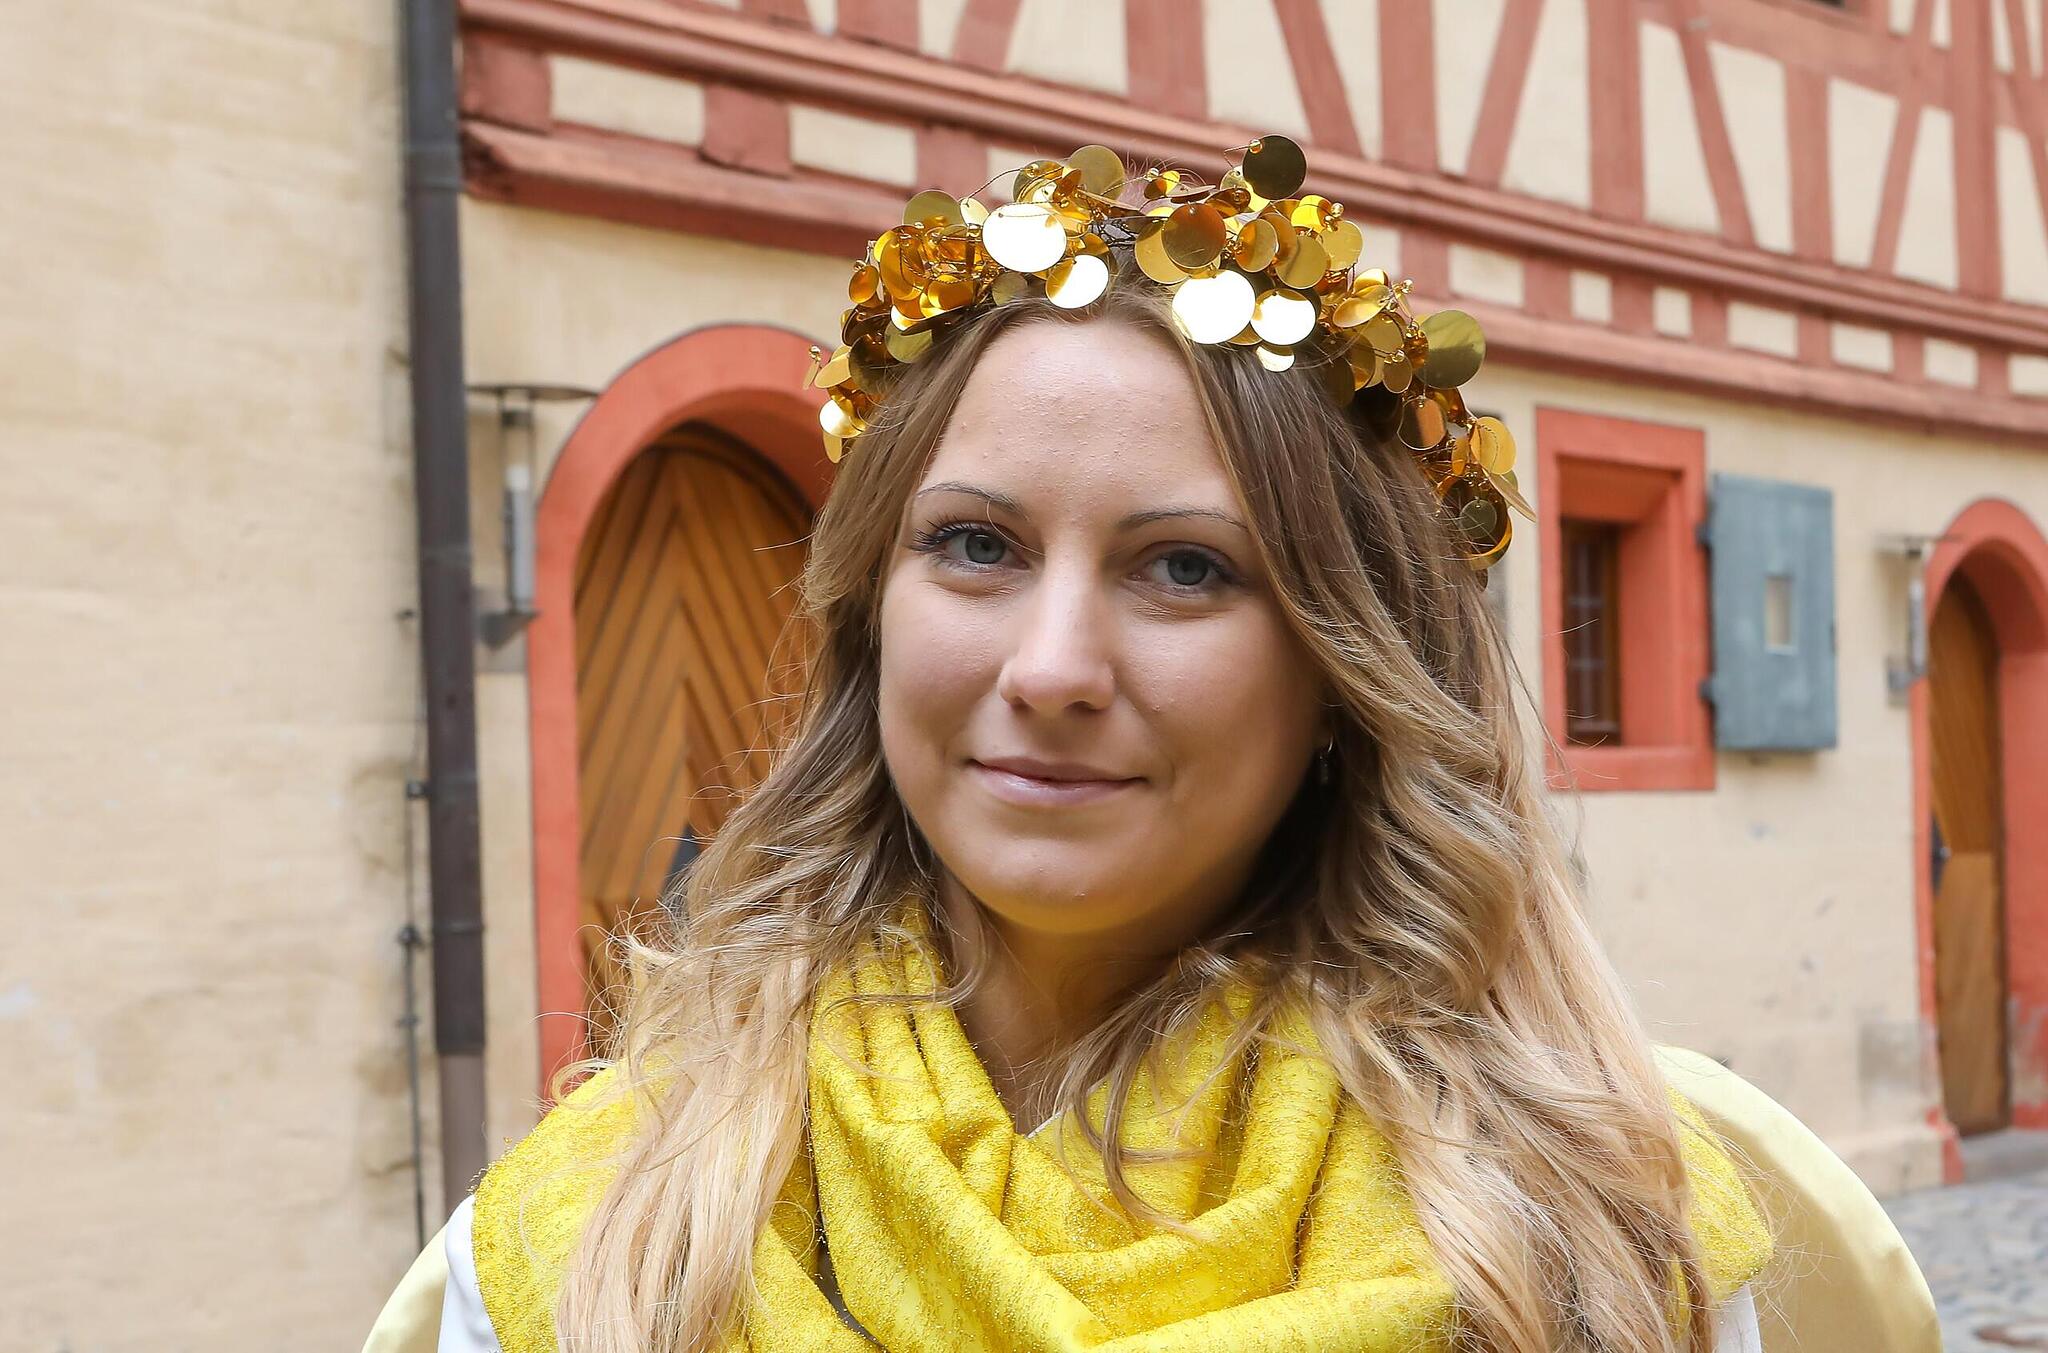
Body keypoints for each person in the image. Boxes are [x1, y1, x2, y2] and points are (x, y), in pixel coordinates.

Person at [365, 138, 1937, 1353]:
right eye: (976, 544)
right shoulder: (611, 1220)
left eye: (1185, 566)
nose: (1050, 667)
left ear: (1346, 666)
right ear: (869, 616)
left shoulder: (1589, 1222)